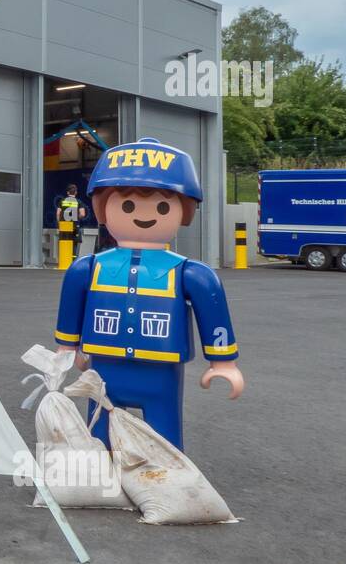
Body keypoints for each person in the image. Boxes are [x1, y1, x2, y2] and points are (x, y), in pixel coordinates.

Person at [53, 137, 243, 449]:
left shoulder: (189, 273)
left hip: (161, 371)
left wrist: (224, 363)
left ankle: (165, 478)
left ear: (183, 212)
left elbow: (213, 313)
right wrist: (66, 347)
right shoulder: (88, 268)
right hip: (104, 366)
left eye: (162, 205)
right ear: (103, 209)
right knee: (100, 429)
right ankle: (104, 469)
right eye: (126, 205)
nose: (144, 214)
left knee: (164, 435)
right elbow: (70, 309)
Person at [54, 182, 88, 256]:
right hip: (74, 226)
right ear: (75, 192)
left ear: (67, 192)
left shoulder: (62, 201)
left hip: (64, 226)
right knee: (74, 244)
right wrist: (77, 218)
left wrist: (59, 223)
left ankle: (64, 260)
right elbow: (82, 214)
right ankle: (73, 261)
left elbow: (58, 213)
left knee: (64, 243)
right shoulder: (79, 202)